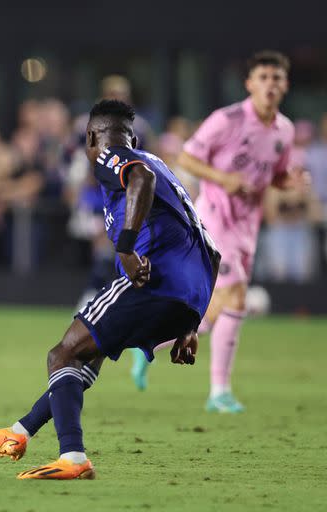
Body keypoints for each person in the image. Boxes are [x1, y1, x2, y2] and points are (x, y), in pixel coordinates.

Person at [0, 100, 220, 480]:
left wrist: (124, 248)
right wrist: (192, 323)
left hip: (156, 281)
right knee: (89, 356)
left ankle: (72, 457)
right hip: (191, 295)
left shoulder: (112, 156)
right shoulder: (163, 166)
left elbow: (141, 180)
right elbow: (215, 253)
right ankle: (19, 433)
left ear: (91, 137)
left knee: (62, 355)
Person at [130, 51, 307, 410]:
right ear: (250, 84)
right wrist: (223, 177)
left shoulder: (284, 131)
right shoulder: (227, 120)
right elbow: (186, 157)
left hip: (247, 226)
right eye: (264, 77)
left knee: (212, 312)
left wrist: (288, 183)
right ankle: (219, 392)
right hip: (215, 219)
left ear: (285, 85)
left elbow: (275, 175)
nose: (270, 84)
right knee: (237, 298)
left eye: (276, 78)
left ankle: (148, 344)